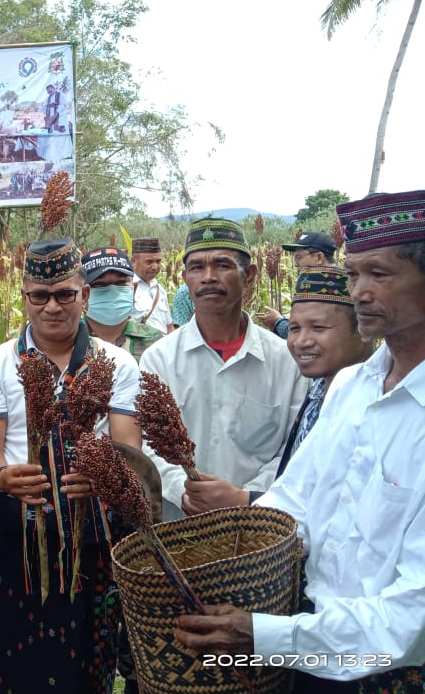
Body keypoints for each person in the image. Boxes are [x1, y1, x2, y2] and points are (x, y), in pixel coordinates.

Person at [175, 189, 425, 691]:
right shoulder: (352, 387)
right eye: (353, 274)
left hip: (391, 668)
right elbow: (293, 503)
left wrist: (265, 636)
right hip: (310, 648)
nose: (359, 292)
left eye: (380, 274)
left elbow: (412, 613)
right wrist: (221, 562)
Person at [0, 238, 143, 694]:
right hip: (16, 539)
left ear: (84, 295)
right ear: (24, 297)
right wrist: (3, 476)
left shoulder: (116, 364)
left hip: (92, 542)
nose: (52, 307)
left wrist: (105, 473)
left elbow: (128, 449)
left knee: (87, 669)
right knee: (15, 671)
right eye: (39, 296)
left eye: (65, 294)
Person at [140, 218, 306, 518]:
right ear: (185, 277)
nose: (208, 277)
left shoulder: (286, 361)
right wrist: (184, 490)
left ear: (250, 276)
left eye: (222, 265)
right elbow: (147, 443)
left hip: (260, 528)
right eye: (196, 268)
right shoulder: (158, 360)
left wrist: (244, 498)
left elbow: (295, 448)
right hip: (180, 529)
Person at [276, 265, 373, 477]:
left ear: (363, 329)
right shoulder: (318, 390)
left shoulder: (376, 407)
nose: (301, 342)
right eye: (294, 328)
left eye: (318, 328)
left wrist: (247, 499)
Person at [81, 246, 163, 363]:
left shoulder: (157, 343)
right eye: (99, 284)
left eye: (121, 282)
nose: (112, 291)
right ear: (83, 295)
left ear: (133, 290)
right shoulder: (64, 344)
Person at [257, 230, 339, 338]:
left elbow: (299, 333)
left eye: (299, 258)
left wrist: (277, 321)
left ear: (319, 257)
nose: (295, 264)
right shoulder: (350, 279)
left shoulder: (312, 282)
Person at [130, 237, 173, 334]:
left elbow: (169, 326)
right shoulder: (127, 288)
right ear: (133, 261)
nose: (155, 267)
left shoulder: (160, 289)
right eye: (149, 262)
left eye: (158, 262)